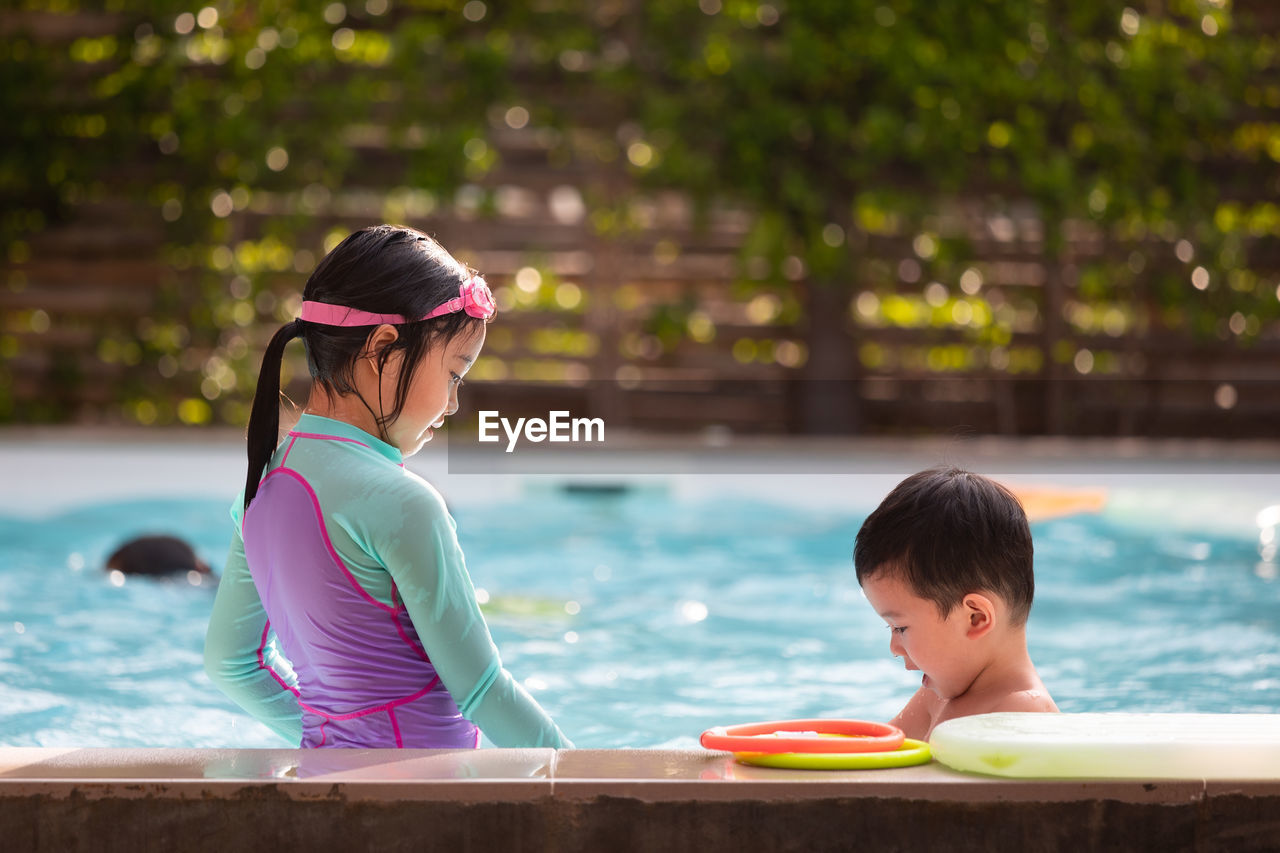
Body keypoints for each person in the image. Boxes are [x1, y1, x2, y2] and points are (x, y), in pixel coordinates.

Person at [204, 224, 571, 749]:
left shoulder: (259, 488)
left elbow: (231, 665)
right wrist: (588, 774)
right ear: (383, 349)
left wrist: (338, 738)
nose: (453, 405)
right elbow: (483, 690)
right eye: (454, 375)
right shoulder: (404, 504)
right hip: (431, 804)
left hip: (327, 782)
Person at [854, 466, 1058, 740]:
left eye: (900, 628)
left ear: (976, 618)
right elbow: (877, 751)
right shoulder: (933, 698)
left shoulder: (1023, 715)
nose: (894, 647)